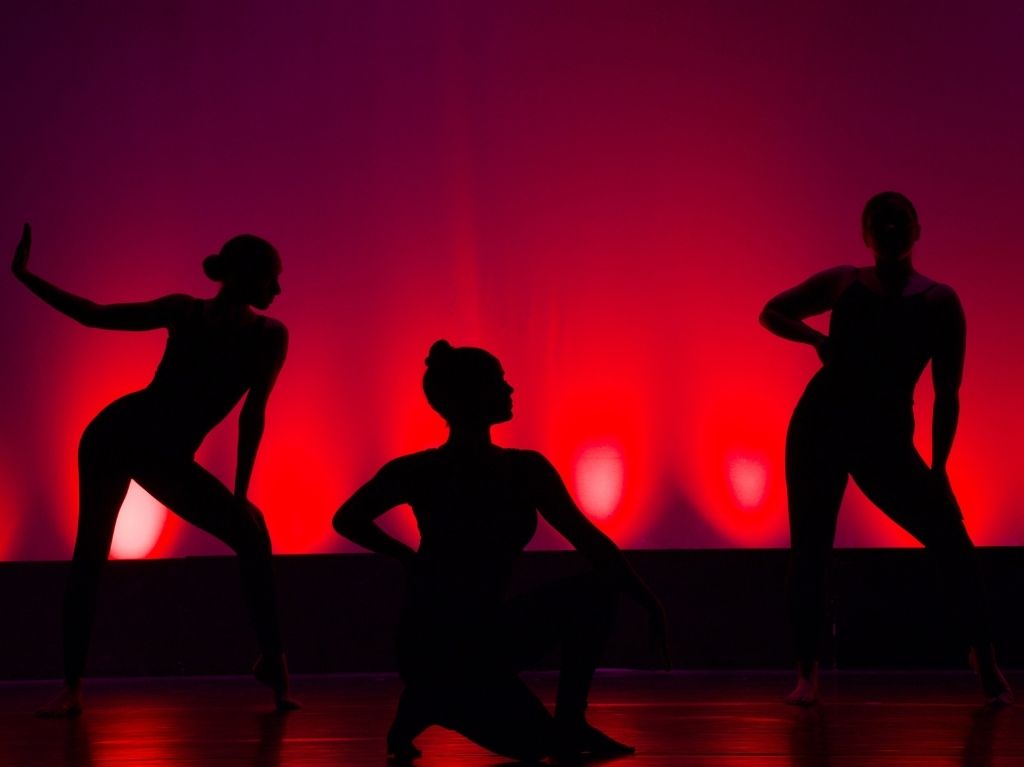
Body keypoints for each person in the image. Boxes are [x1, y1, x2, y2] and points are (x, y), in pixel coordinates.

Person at [11, 224, 298, 716]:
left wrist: (240, 494)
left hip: (163, 454)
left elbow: (255, 415)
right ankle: (72, 686)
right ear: (245, 278)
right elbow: (95, 316)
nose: (277, 289)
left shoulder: (269, 337)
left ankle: (273, 662)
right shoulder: (183, 311)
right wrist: (25, 277)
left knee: (252, 534)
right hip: (116, 436)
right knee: (91, 552)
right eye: (271, 278)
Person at [333, 340, 669, 761]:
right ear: (469, 396)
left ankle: (563, 720)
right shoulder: (422, 469)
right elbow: (347, 518)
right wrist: (404, 556)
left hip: (487, 633)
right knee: (534, 746)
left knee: (596, 591)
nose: (510, 390)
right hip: (435, 642)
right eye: (498, 382)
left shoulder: (523, 468)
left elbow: (589, 541)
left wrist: (646, 599)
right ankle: (429, 700)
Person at [760, 193, 1012, 706]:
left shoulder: (939, 301)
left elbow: (947, 393)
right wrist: (814, 338)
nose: (890, 228)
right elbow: (772, 312)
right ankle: (807, 673)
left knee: (951, 539)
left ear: (917, 230)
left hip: (883, 436)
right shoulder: (844, 282)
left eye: (899, 220)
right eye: (880, 221)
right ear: (866, 233)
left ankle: (984, 659)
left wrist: (939, 469)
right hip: (822, 424)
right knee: (809, 549)